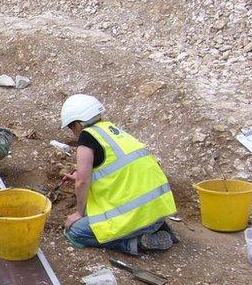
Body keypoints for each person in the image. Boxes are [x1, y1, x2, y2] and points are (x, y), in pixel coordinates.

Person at [59, 94, 178, 255]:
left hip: (136, 217)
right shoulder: (113, 131)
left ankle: (134, 243)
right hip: (158, 211)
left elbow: (82, 183)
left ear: (78, 124)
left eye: (71, 127)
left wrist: (79, 213)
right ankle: (155, 229)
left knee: (75, 231)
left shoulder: (87, 138)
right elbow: (117, 171)